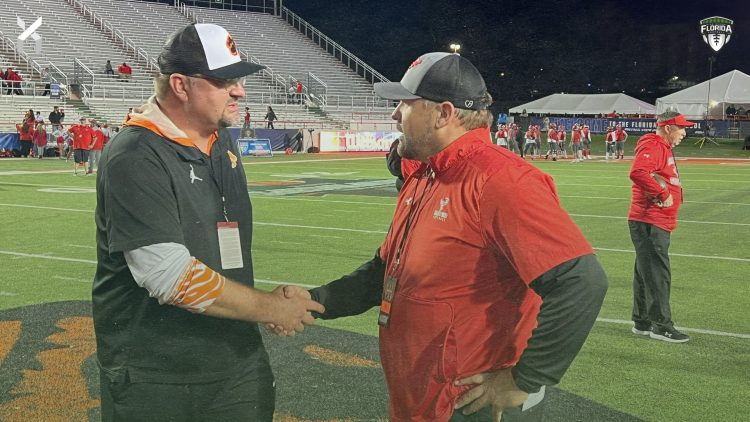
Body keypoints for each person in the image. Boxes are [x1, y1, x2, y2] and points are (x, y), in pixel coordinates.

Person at [301, 52, 608, 421]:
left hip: (466, 404)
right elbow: (392, 272)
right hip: (420, 396)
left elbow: (580, 280)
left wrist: (526, 378)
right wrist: (316, 301)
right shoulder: (426, 175)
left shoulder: (500, 179)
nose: (395, 115)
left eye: (405, 104)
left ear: (444, 113)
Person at [92, 23, 324, 422]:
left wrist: (258, 310)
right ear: (181, 86)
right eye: (224, 81)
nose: (240, 91)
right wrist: (269, 307)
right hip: (157, 374)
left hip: (236, 359)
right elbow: (168, 275)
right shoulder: (135, 153)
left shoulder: (222, 138)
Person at [628, 111, 694, 344]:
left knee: (646, 270)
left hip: (654, 220)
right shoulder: (655, 144)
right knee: (657, 273)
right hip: (650, 220)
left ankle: (643, 321)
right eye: (681, 128)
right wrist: (662, 193)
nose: (684, 133)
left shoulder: (661, 147)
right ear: (668, 128)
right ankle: (661, 326)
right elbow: (638, 172)